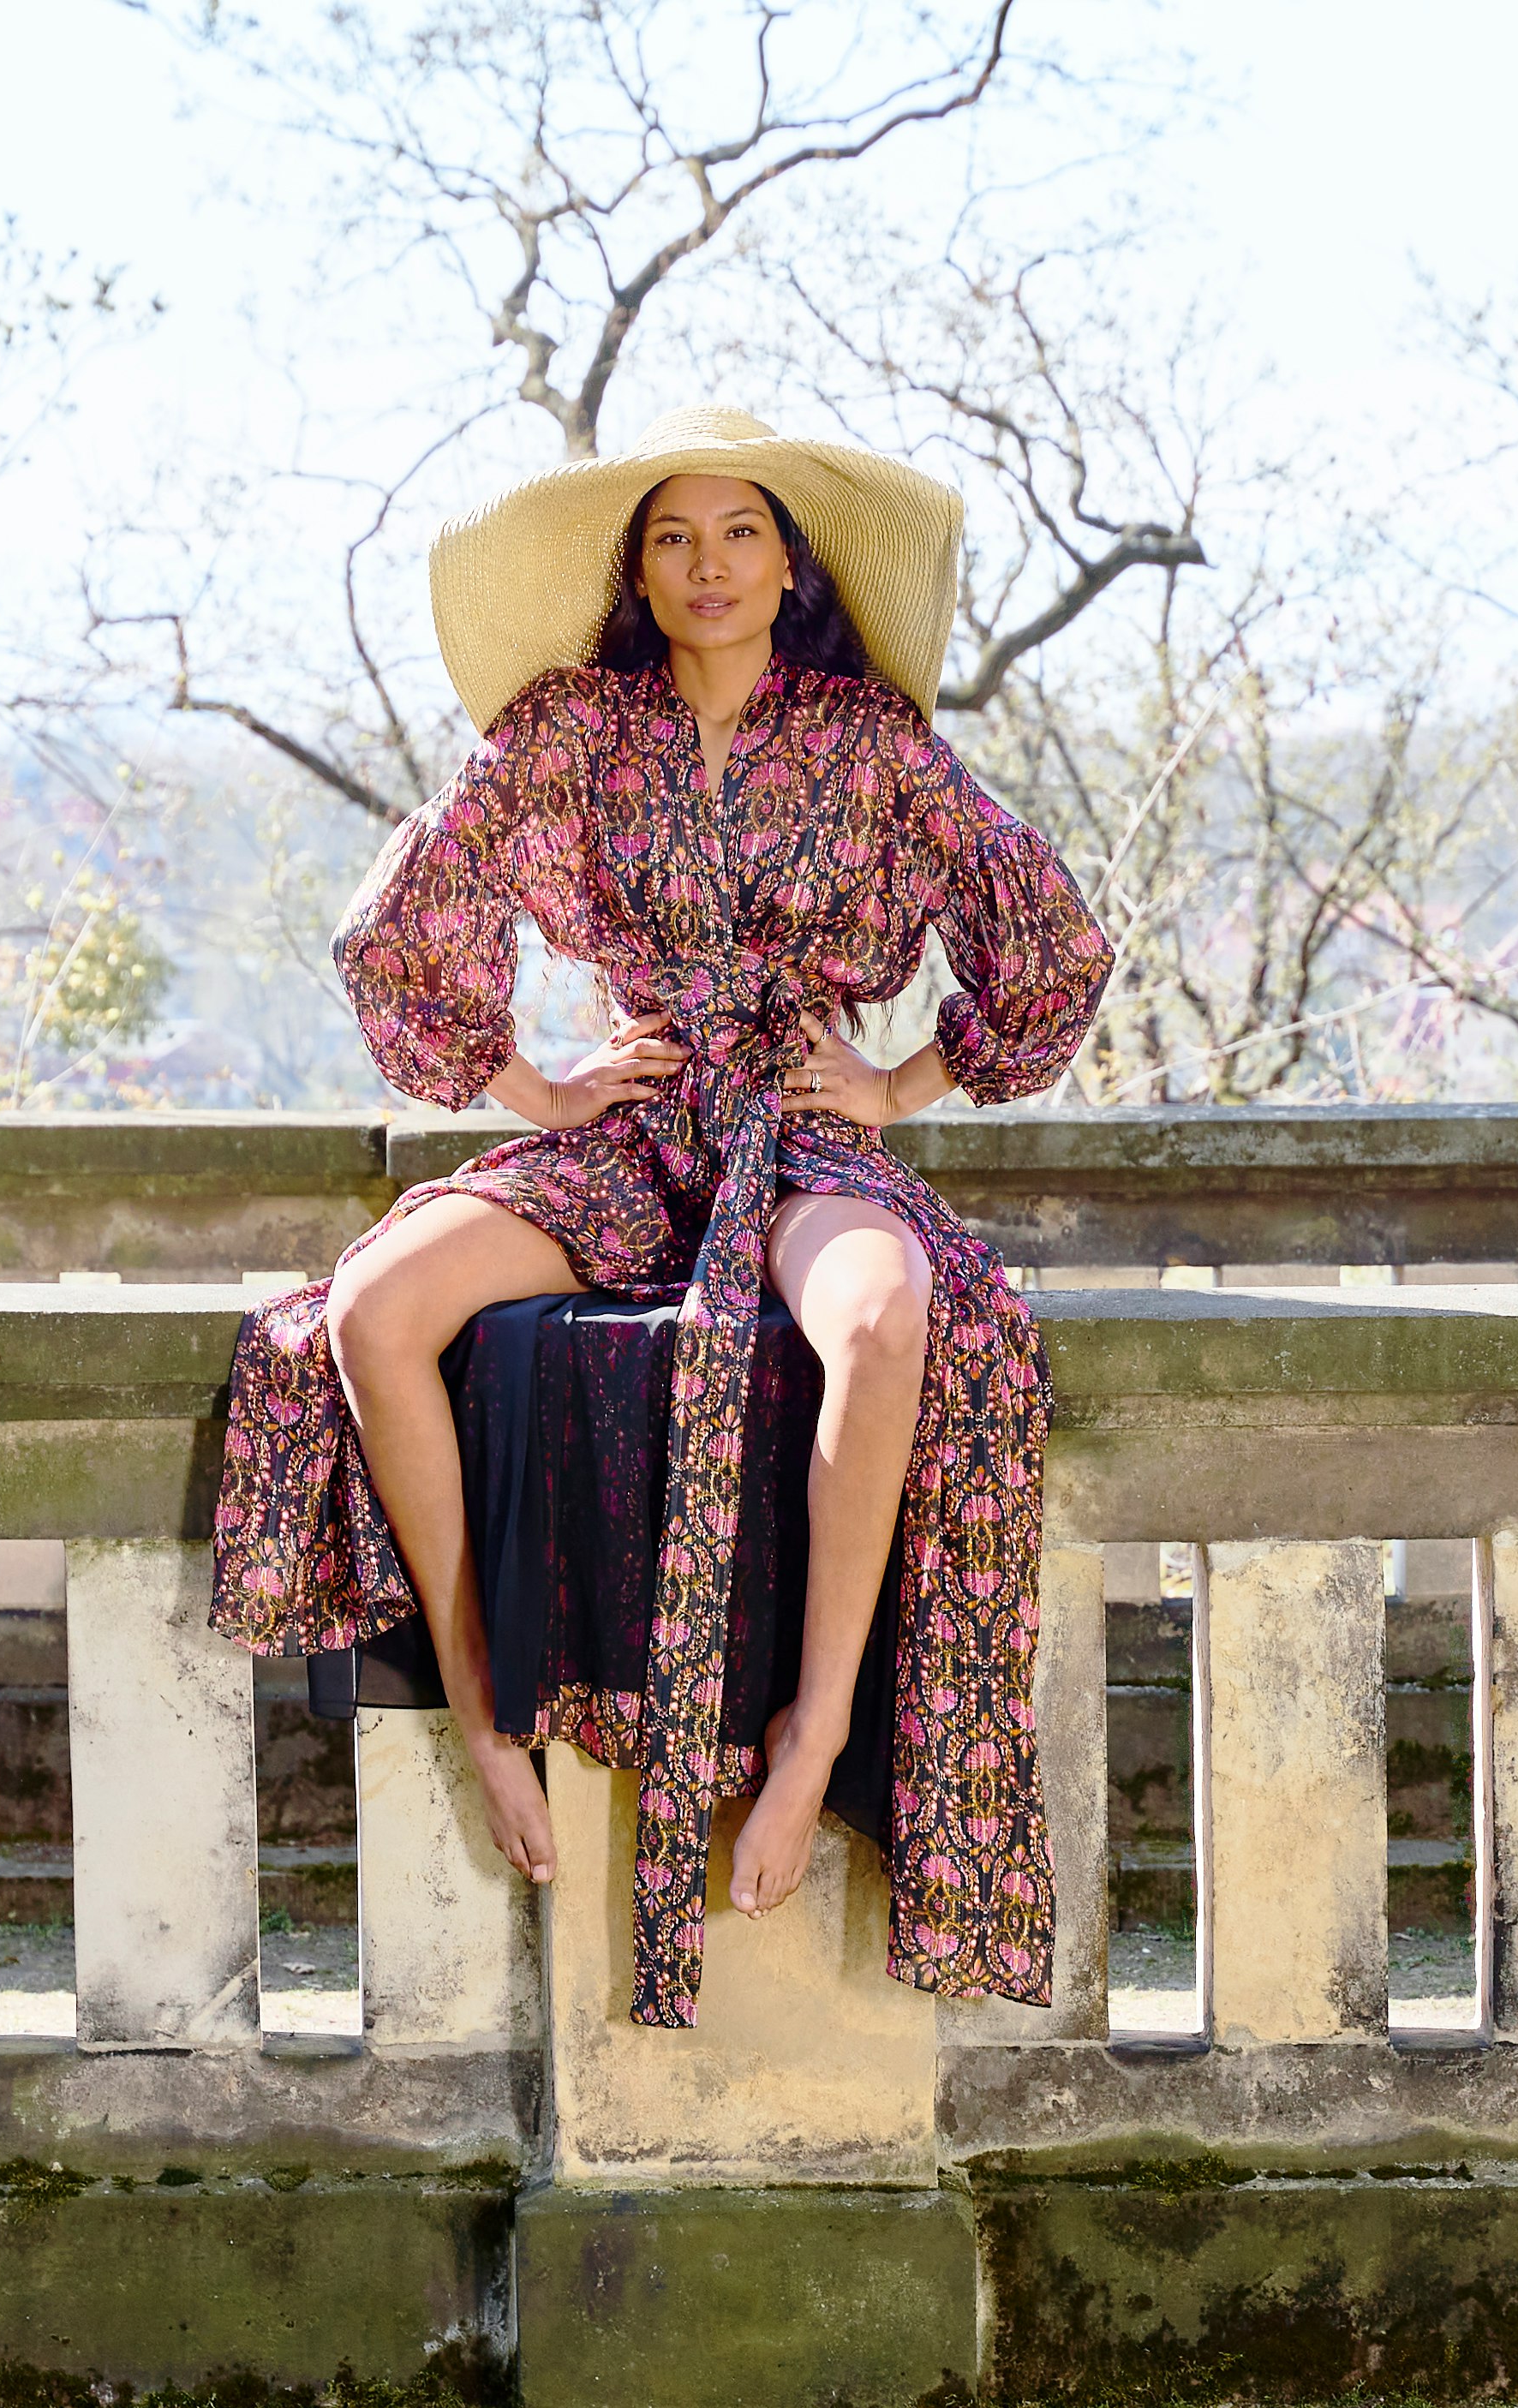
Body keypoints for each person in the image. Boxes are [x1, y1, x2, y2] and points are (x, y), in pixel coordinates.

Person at [205, 400, 1111, 2031]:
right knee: (368, 1314)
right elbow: (394, 930)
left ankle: (818, 1726)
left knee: (887, 1317)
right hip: (628, 1138)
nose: (709, 565)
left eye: (741, 532)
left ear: (790, 562)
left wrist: (901, 1086)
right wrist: (534, 1086)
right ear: (639, 565)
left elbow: (1050, 942)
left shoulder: (870, 744)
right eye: (674, 536)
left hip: (797, 1125)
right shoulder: (569, 729)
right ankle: (490, 1718)